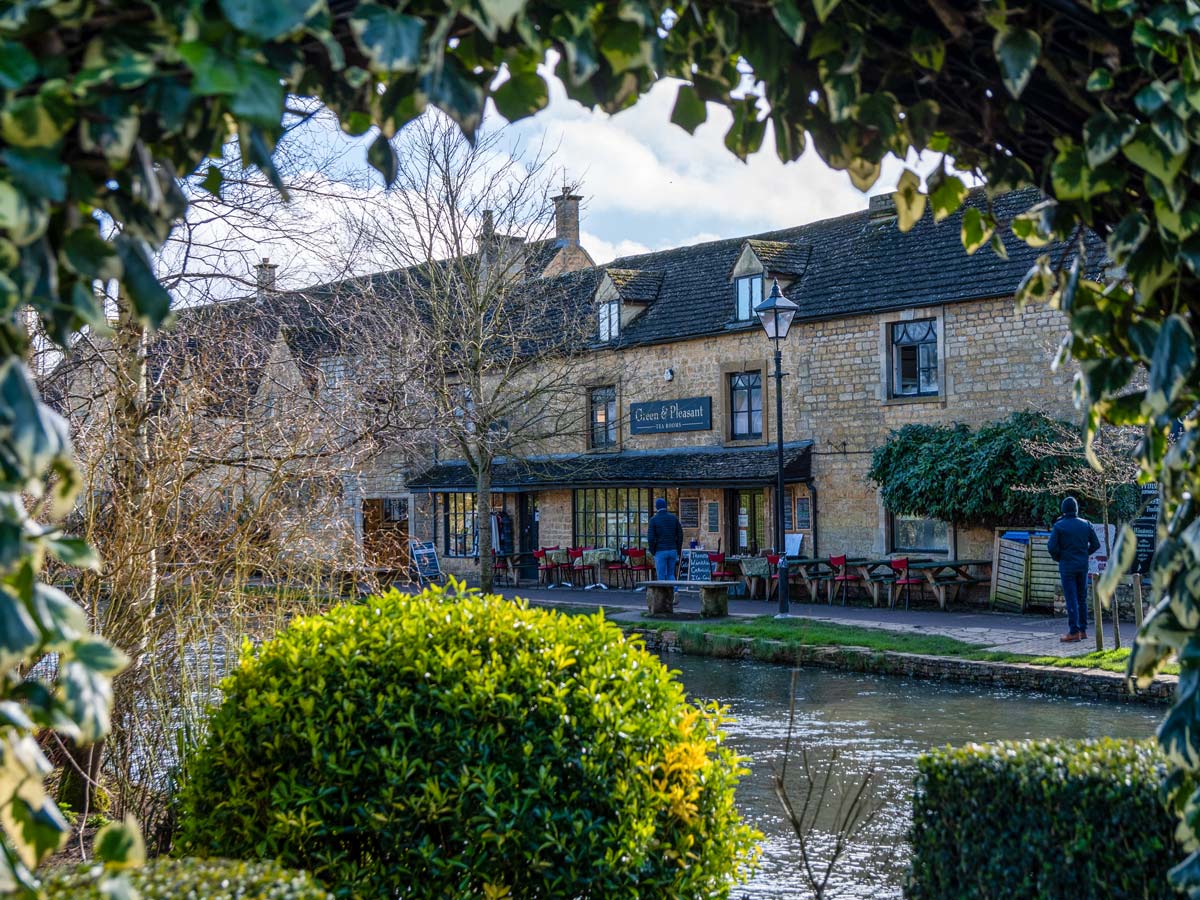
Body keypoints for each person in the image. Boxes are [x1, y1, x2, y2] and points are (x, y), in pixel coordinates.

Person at [1047, 496, 1101, 643]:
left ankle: (1073, 632)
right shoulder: (1086, 524)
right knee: (1082, 598)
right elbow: (1096, 544)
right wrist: (1084, 554)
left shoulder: (1059, 526)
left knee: (1071, 599)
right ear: (1076, 509)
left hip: (1067, 566)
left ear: (1063, 510)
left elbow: (1051, 547)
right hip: (1082, 566)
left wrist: (1060, 558)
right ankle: (1083, 630)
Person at [646, 497, 683, 582]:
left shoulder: (653, 520)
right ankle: (674, 592)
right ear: (666, 506)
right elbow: (680, 534)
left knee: (661, 576)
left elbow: (651, 538)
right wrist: (678, 549)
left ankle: (663, 594)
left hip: (660, 550)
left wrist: (653, 551)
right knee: (671, 574)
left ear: (656, 507)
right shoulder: (674, 518)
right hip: (673, 550)